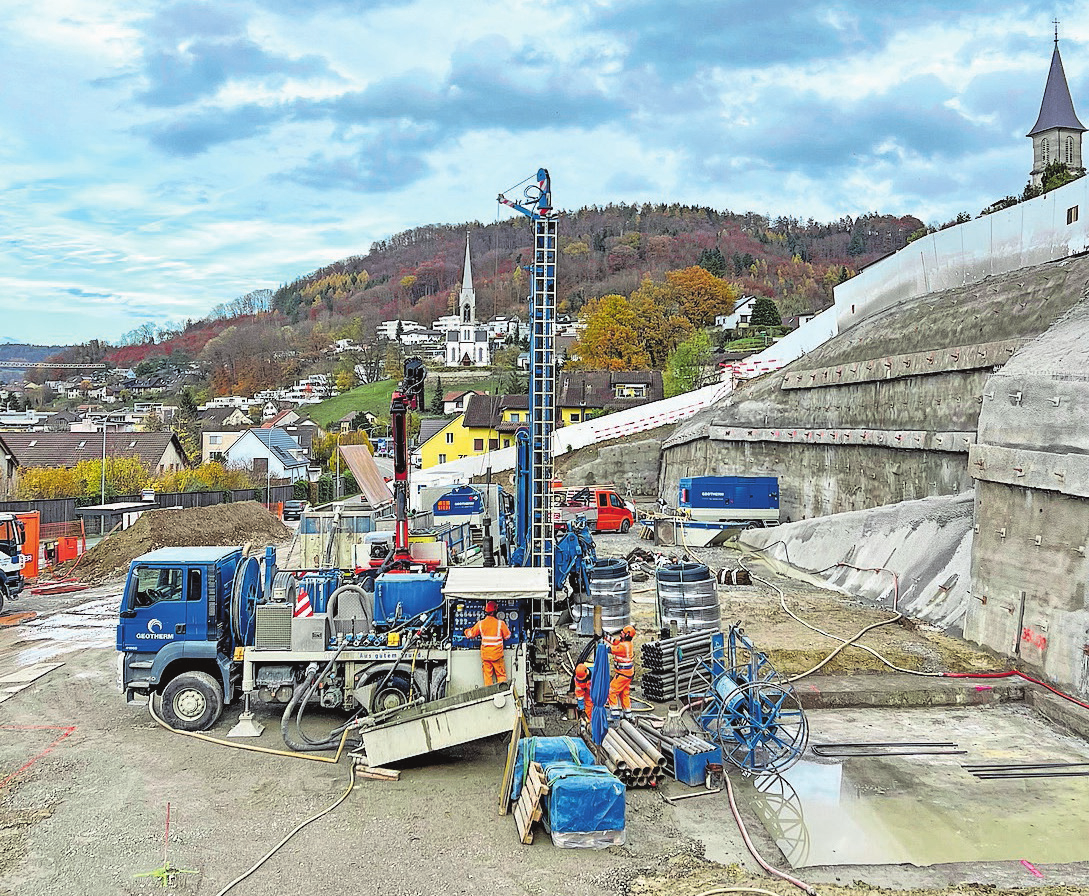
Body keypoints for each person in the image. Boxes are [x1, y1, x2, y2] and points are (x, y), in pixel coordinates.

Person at [463, 600, 511, 685]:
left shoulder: (480, 624)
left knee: (487, 677)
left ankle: (489, 695)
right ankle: (502, 694)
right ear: (496, 611)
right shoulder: (500, 623)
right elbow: (507, 636)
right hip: (497, 655)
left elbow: (471, 634)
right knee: (501, 676)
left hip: (486, 656)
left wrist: (466, 631)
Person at [607, 625, 636, 719]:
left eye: (623, 632)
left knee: (612, 691)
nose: (621, 633)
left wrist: (601, 644)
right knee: (624, 693)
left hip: (623, 674)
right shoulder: (625, 643)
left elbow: (611, 649)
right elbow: (615, 642)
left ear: (627, 635)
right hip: (627, 674)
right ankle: (628, 714)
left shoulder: (623, 646)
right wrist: (604, 636)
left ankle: (614, 715)